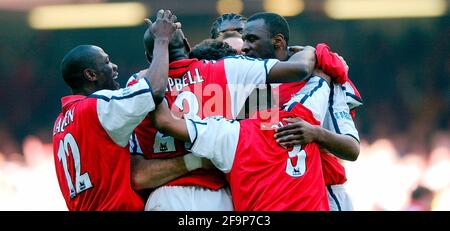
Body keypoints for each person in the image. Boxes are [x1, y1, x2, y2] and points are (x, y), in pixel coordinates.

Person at [128, 22, 348, 210]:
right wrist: (312, 50)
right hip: (223, 196)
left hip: (166, 197)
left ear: (152, 55)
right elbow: (298, 71)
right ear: (187, 46)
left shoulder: (138, 84)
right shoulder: (231, 69)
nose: (244, 49)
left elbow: (140, 172)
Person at [51, 10, 179, 211]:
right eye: (107, 62)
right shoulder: (97, 107)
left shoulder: (61, 123)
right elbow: (155, 89)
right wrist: (162, 39)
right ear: (91, 74)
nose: (115, 67)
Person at [151, 73, 334, 210]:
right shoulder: (302, 116)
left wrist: (152, 77)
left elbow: (165, 122)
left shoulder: (230, 135)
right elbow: (323, 74)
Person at [241, 12, 362, 211]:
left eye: (252, 39)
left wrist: (316, 133)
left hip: (325, 193)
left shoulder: (322, 77)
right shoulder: (254, 86)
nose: (245, 46)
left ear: (278, 42)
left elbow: (352, 149)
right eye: (244, 39)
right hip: (275, 194)